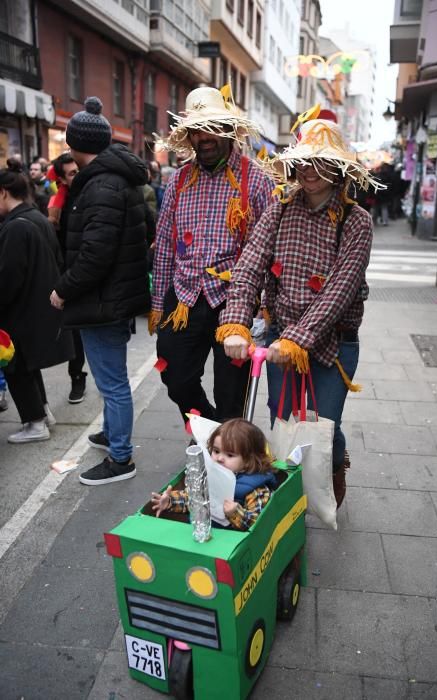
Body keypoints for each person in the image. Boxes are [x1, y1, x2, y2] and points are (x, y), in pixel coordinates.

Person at [217, 106, 382, 508]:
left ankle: (333, 463)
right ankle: (290, 497)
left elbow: (339, 291)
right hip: (278, 340)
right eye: (305, 161)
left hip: (333, 345)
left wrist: (298, 340)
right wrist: (236, 324)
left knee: (324, 424)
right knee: (285, 420)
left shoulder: (355, 221)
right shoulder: (279, 208)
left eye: (322, 163)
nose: (310, 170)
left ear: (339, 169)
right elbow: (250, 267)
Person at [148, 86, 274, 428]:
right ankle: (210, 433)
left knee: (232, 393)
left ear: (230, 130)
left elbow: (269, 252)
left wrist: (263, 307)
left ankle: (226, 454)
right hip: (184, 299)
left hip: (233, 303)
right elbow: (164, 245)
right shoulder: (178, 180)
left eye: (213, 128)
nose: (204, 138)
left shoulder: (257, 181)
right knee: (174, 377)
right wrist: (159, 305)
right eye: (197, 130)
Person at [50, 96, 151, 485]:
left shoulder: (102, 184)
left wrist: (63, 289)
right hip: (113, 296)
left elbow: (95, 253)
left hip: (103, 300)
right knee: (111, 375)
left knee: (112, 381)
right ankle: (112, 435)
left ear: (75, 142)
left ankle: (121, 458)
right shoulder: (113, 178)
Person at [0, 161, 74, 443]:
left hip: (21, 311)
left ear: (4, 193)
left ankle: (35, 423)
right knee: (27, 365)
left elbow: (8, 276)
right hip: (40, 307)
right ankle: (42, 413)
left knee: (16, 367)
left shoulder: (16, 227)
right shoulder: (37, 218)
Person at [151, 418, 276, 530]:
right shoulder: (209, 474)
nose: (219, 458)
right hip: (203, 533)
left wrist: (236, 512)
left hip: (229, 544)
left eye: (230, 455)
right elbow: (194, 499)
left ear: (248, 460)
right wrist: (170, 501)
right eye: (216, 451)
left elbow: (258, 524)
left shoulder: (255, 488)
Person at [48, 153, 88, 404]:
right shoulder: (58, 202)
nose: (77, 175)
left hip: (83, 271)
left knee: (79, 331)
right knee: (70, 329)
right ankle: (76, 375)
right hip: (63, 271)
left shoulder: (91, 192)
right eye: (71, 173)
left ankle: (77, 377)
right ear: (62, 179)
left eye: (77, 170)